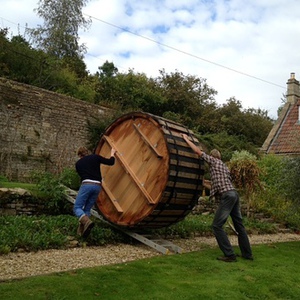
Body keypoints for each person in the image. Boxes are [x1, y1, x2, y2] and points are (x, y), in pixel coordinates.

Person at [182, 134, 253, 262]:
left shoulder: (213, 161)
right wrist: (203, 182)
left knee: (216, 226)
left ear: (213, 157)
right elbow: (216, 185)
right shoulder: (224, 167)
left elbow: (198, 152)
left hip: (228, 196)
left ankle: (229, 255)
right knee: (239, 226)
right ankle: (247, 254)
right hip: (234, 195)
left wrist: (186, 139)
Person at [74, 146, 116, 239]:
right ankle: (82, 232)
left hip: (87, 184)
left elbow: (82, 176)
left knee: (77, 207)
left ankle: (86, 222)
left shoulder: (78, 164)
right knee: (87, 209)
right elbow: (111, 162)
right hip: (97, 186)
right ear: (87, 152)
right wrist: (112, 153)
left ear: (79, 155)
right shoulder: (95, 157)